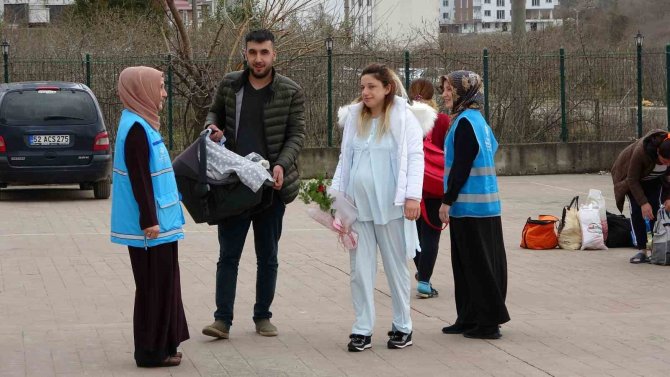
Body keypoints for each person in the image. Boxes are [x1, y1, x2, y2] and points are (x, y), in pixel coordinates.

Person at [201, 29, 305, 339]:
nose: (258, 58)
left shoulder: (290, 91)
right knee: (228, 255)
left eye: (264, 52)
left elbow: (296, 135)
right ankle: (222, 320)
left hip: (269, 188)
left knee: (267, 256)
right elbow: (214, 112)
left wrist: (280, 164)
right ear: (245, 54)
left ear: (274, 54)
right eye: (253, 52)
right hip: (234, 185)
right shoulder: (231, 83)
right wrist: (212, 127)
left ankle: (263, 316)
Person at [330, 63, 437, 352]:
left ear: (387, 88)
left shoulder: (405, 118)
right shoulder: (354, 118)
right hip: (358, 207)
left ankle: (403, 326)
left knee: (395, 268)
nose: (365, 92)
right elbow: (345, 159)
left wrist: (413, 197)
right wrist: (337, 199)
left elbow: (416, 158)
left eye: (371, 87)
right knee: (359, 270)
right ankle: (362, 328)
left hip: (392, 206)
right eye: (362, 87)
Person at [110, 66, 189, 367]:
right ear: (141, 90)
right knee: (154, 287)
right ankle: (151, 352)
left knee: (166, 284)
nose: (164, 93)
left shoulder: (142, 124)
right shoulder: (135, 131)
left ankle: (166, 345)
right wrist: (149, 220)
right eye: (160, 86)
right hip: (152, 228)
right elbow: (139, 179)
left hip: (163, 222)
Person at [438, 70, 509, 340]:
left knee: (478, 266)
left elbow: (461, 166)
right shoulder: (477, 121)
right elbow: (492, 149)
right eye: (444, 88)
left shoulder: (466, 122)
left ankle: (488, 322)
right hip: (485, 206)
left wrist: (447, 200)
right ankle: (468, 317)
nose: (444, 94)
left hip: (470, 207)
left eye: (449, 89)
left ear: (463, 92)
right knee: (468, 264)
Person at [408, 78, 451, 299]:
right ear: (431, 95)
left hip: (411, 186)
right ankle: (424, 281)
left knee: (415, 235)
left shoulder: (405, 118)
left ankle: (421, 271)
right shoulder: (442, 120)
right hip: (435, 184)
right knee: (431, 233)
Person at [611, 130, 670, 264]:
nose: (667, 165)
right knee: (638, 211)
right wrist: (643, 203)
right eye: (664, 161)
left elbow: (669, 178)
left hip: (655, 179)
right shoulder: (641, 152)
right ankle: (642, 249)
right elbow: (632, 180)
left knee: (657, 210)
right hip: (635, 180)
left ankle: (657, 248)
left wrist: (668, 197)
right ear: (658, 153)